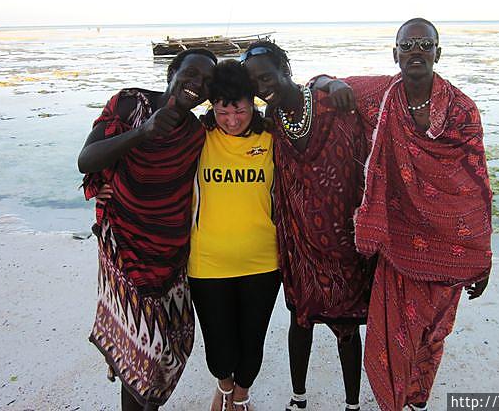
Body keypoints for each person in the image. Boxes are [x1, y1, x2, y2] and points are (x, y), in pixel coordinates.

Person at [316, 18, 492, 411]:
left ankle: (416, 402)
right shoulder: (379, 94)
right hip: (399, 242)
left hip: (451, 245)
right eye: (407, 45)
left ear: (437, 53)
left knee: (432, 334)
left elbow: (476, 186)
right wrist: (334, 84)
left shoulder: (462, 110)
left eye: (424, 44)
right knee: (393, 335)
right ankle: (392, 403)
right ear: (395, 54)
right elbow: (317, 83)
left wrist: (482, 258)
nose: (416, 51)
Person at [77, 48, 216, 411]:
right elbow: (86, 160)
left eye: (206, 82)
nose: (197, 86)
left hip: (172, 255)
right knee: (144, 350)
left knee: (174, 345)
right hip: (125, 245)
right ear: (172, 71)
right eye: (191, 74)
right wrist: (143, 132)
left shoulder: (199, 131)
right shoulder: (129, 106)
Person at [241, 41, 373, 411]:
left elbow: (380, 106)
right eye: (253, 82)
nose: (261, 85)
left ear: (285, 67)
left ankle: (352, 404)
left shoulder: (330, 98)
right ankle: (298, 400)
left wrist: (331, 79)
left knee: (346, 328)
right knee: (300, 320)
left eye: (266, 75)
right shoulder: (269, 119)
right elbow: (227, 127)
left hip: (342, 238)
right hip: (298, 239)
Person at [188, 59, 280, 411]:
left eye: (239, 110)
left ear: (253, 102)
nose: (231, 120)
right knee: (219, 348)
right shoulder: (197, 137)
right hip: (207, 262)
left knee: (251, 342)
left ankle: (240, 396)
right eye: (222, 111)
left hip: (263, 261)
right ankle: (223, 387)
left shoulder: (272, 137)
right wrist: (104, 184)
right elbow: (151, 155)